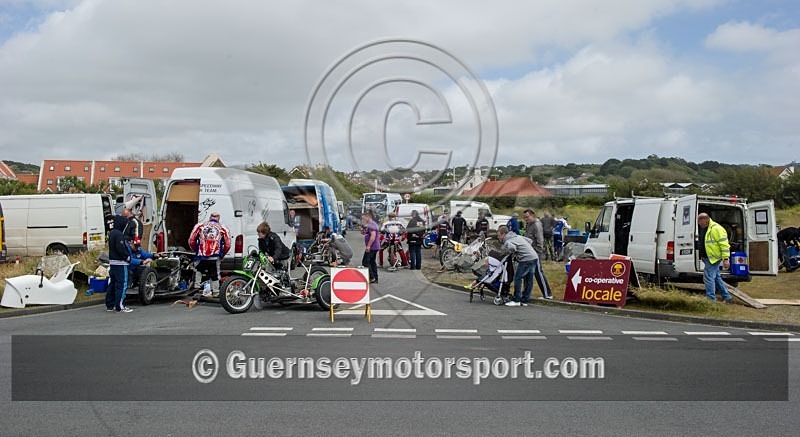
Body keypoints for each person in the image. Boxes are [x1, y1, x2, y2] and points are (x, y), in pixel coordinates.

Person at [188, 212, 231, 298]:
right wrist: (222, 254)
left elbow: (191, 240)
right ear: (218, 218)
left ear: (209, 217)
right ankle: (215, 292)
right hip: (215, 255)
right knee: (214, 273)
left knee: (198, 270)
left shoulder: (199, 226)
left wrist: (196, 250)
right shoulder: (223, 228)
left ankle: (196, 290)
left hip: (201, 254)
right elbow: (227, 244)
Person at [497, 225, 538, 307]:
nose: (498, 238)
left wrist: (511, 252)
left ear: (503, 234)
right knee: (528, 279)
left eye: (499, 235)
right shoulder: (516, 236)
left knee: (518, 278)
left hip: (525, 259)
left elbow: (513, 248)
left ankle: (517, 299)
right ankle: (525, 300)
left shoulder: (507, 241)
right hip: (534, 256)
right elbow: (529, 241)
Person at [697, 213, 733, 303]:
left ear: (704, 220)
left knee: (708, 278)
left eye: (699, 221)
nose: (698, 223)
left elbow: (724, 245)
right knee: (716, 277)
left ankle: (711, 300)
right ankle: (727, 297)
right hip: (708, 258)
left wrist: (726, 259)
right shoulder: (705, 229)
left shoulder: (716, 229)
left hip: (713, 258)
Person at [522, 209, 553, 299]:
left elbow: (540, 241)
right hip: (528, 253)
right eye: (524, 217)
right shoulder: (528, 224)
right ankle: (526, 294)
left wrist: (537, 251)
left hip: (535, 253)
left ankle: (548, 294)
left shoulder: (536, 225)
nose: (526, 219)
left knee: (538, 272)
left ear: (532, 215)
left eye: (527, 217)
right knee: (527, 273)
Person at [107, 215, 133, 313]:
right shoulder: (119, 234)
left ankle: (110, 304)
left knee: (112, 283)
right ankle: (120, 305)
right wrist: (127, 256)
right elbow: (120, 247)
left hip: (112, 262)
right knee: (121, 284)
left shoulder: (112, 233)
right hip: (120, 263)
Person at [361, 211, 380, 283]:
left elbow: (373, 236)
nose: (363, 220)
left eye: (364, 218)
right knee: (372, 262)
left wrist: (368, 246)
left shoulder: (371, 225)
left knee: (365, 262)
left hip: (372, 247)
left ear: (368, 217)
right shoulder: (371, 224)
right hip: (374, 246)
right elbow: (367, 234)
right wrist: (364, 231)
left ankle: (372, 277)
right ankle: (375, 277)